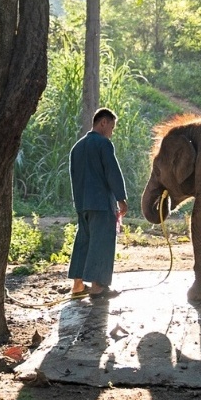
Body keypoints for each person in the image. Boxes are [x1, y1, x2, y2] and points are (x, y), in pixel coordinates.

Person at [68, 107, 129, 301]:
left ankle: (78, 285)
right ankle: (97, 287)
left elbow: (74, 177)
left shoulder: (77, 147)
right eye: (112, 126)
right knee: (101, 244)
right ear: (103, 122)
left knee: (84, 242)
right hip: (102, 204)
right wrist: (121, 198)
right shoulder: (104, 144)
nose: (112, 131)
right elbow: (112, 172)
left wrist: (80, 203)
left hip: (82, 204)